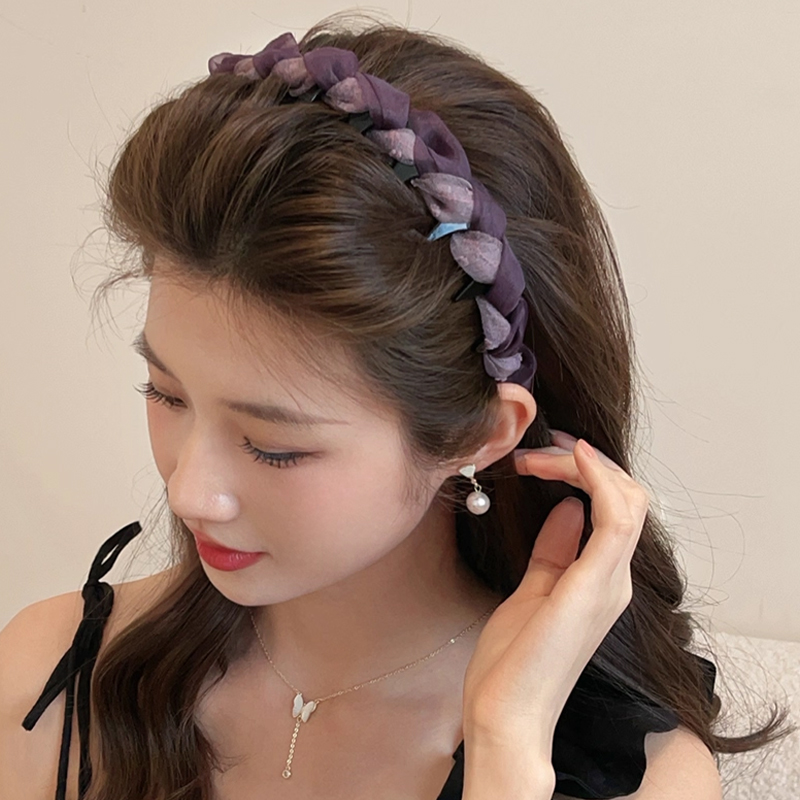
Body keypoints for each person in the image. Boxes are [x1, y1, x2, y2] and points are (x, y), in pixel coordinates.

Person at [0, 12, 793, 800]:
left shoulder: (635, 778)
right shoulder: (52, 682)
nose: (188, 490)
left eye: (274, 444)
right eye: (166, 394)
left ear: (480, 433)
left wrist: (505, 747)